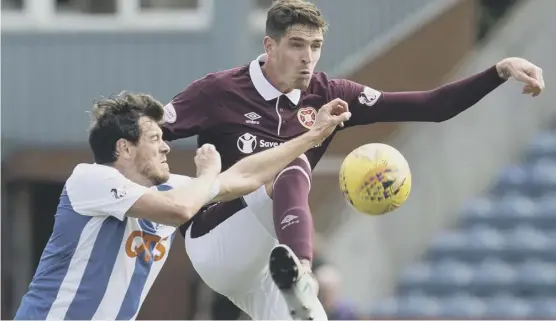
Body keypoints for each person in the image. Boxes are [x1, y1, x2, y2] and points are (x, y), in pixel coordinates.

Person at [162, 0, 545, 319]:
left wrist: (499, 70)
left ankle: (300, 290)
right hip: (214, 239)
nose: (307, 58)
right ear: (269, 45)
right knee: (290, 164)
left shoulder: (329, 93)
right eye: (297, 45)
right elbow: (146, 134)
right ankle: (305, 275)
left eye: (315, 46)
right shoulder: (219, 90)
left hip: (266, 267)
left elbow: (433, 106)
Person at [13, 92, 350, 320]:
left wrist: (312, 136)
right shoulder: (90, 179)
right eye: (155, 139)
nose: (166, 148)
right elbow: (179, 210)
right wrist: (207, 175)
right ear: (124, 148)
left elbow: (243, 177)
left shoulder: (174, 188)